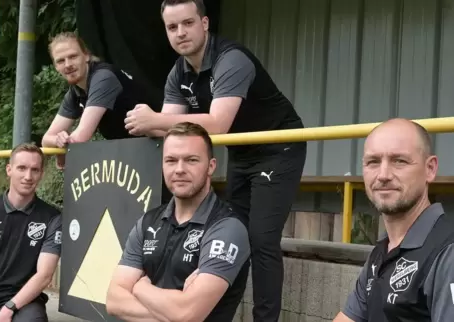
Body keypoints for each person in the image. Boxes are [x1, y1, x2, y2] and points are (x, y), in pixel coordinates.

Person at [123, 0, 307, 320]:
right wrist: (152, 123)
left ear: (204, 23)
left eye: (188, 23)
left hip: (278, 146)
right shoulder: (177, 73)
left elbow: (218, 123)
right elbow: (177, 130)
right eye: (172, 27)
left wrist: (152, 119)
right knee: (230, 232)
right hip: (241, 150)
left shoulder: (231, 59)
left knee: (261, 239)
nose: (181, 33)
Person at [106, 122, 251, 322]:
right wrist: (174, 309)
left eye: (191, 160)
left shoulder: (227, 227)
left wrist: (141, 287)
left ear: (211, 166)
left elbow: (186, 315)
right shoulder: (148, 222)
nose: (179, 169)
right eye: (171, 160)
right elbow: (114, 301)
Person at [333, 118, 454, 322]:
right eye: (373, 162)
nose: (383, 175)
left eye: (399, 161)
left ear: (430, 169)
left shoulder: (447, 252)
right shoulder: (383, 252)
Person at [41, 32, 162, 169]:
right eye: (60, 61)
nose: (67, 64)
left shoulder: (103, 78)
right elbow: (46, 140)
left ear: (86, 56)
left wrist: (62, 147)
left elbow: (79, 138)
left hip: (162, 147)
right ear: (56, 66)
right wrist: (58, 140)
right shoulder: (75, 91)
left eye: (73, 56)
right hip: (132, 153)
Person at [0, 143, 62, 322]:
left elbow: (44, 275)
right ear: (9, 170)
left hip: (23, 302)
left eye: (34, 170)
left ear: (41, 174)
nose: (28, 176)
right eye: (22, 168)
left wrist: (9, 308)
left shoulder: (52, 218)